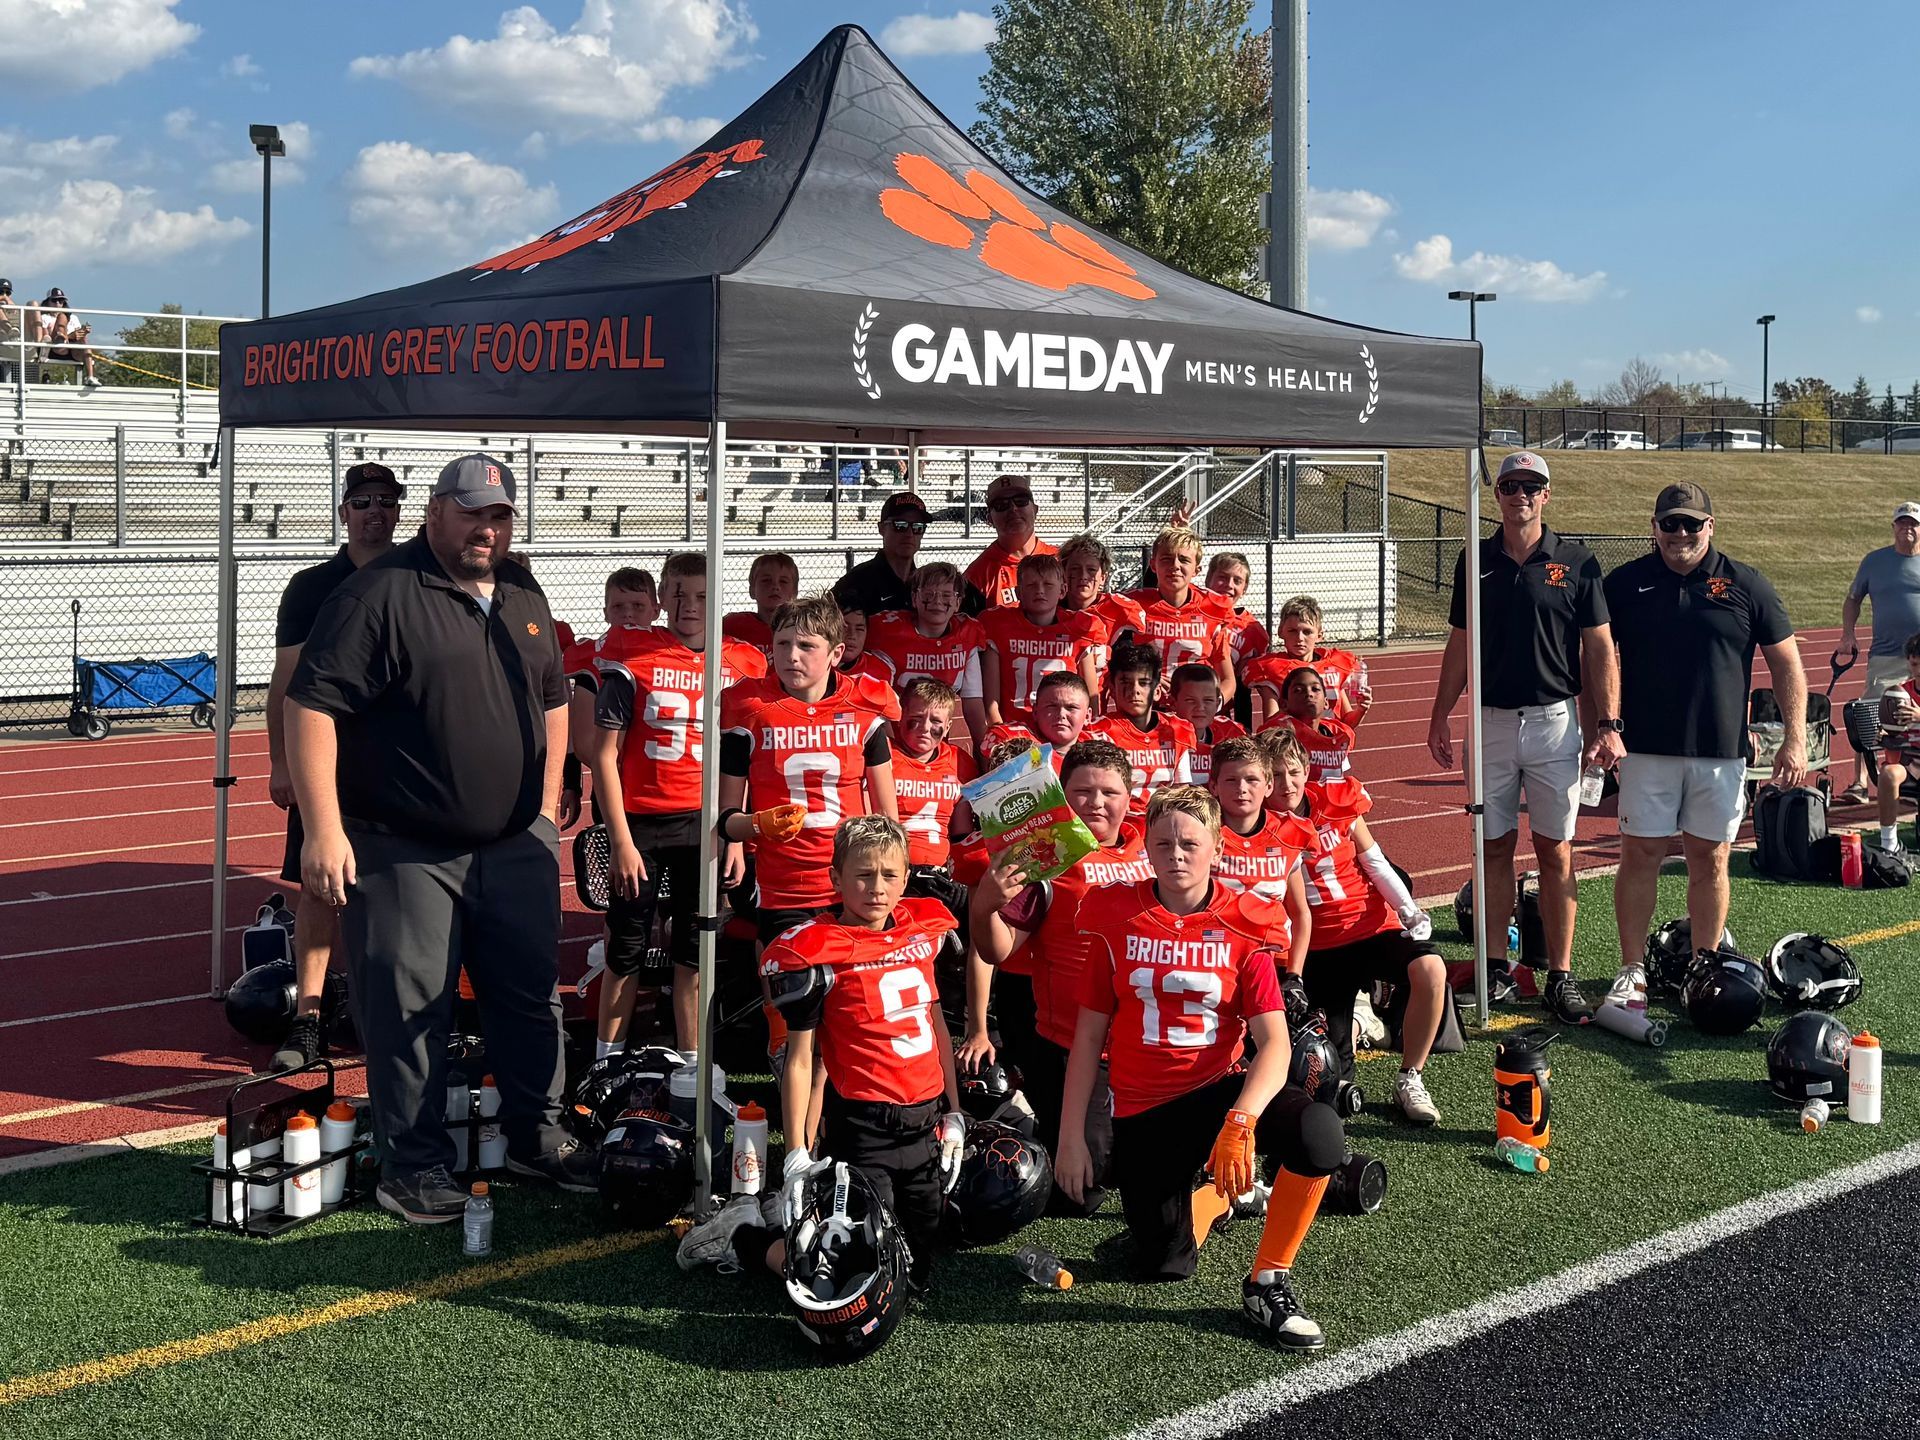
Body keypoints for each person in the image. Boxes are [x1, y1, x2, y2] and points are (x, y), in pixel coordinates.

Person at [285, 452, 593, 1223]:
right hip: (405, 846)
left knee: (528, 1000)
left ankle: (536, 1135)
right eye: (471, 512)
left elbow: (553, 696)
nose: (486, 529)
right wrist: (323, 827)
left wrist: (549, 799)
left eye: (499, 515)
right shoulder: (378, 592)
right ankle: (411, 1167)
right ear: (434, 512)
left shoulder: (522, 586)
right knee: (408, 1007)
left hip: (515, 842)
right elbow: (312, 704)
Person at [1058, 785, 1345, 1349]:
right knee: (1163, 1263)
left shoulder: (1245, 921)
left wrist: (1240, 1122)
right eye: (1162, 842)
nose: (1176, 853)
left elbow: (1276, 1045)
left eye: (1190, 842)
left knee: (1319, 1134)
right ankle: (1218, 1196)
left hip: (1220, 1089)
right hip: (1145, 1108)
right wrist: (1071, 1135)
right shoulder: (1115, 913)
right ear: (1147, 847)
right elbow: (1088, 1038)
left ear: (1217, 846)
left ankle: (1269, 1280)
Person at [677, 816, 964, 1295]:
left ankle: (797, 1220)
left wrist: (955, 1112)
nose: (877, 888)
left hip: (924, 1120)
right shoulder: (817, 951)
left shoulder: (923, 929)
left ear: (907, 877)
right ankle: (743, 1236)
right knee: (852, 1267)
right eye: (863, 874)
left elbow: (935, 1026)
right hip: (865, 1128)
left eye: (890, 875)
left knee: (921, 1260)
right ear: (835, 878)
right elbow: (805, 1060)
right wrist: (795, 1154)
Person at [1425, 451, 1619, 1024]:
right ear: (1499, 494)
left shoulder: (1579, 562)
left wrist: (1607, 723)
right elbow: (1460, 642)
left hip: (1556, 723)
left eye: (1531, 486)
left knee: (1556, 850)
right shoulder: (1475, 558)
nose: (1520, 495)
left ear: (1546, 495)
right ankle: (1495, 968)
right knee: (1493, 848)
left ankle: (1559, 974)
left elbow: (1600, 648)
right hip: (1490, 722)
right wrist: (1439, 713)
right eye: (1510, 485)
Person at [1603, 481, 1806, 998]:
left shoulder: (1746, 583)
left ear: (1710, 527)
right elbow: (1593, 657)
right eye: (1669, 523)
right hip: (1645, 749)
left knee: (1709, 859)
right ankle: (1632, 969)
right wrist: (1598, 727)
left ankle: (1705, 966)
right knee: (1640, 855)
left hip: (1720, 753)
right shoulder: (1624, 584)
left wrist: (1795, 736)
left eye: (1691, 523)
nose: (1681, 533)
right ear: (1654, 528)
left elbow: (1786, 662)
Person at [587, 552, 765, 1058]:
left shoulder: (742, 661)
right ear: (662, 597)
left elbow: (745, 759)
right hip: (642, 821)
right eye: (680, 594)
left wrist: (733, 833)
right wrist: (619, 839)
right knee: (626, 948)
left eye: (703, 596)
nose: (690, 605)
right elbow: (603, 756)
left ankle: (692, 1064)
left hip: (707, 824)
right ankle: (607, 1063)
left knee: (695, 948)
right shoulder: (634, 654)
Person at [968, 739, 1150, 1215]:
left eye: (1109, 792)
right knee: (1082, 1193)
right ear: (1061, 797)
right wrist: (985, 902)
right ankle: (1017, 1121)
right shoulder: (1048, 859)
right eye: (1082, 791)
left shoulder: (1155, 849)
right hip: (1072, 1044)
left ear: (1129, 798)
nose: (1096, 802)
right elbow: (997, 948)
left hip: (1145, 1041)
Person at [263, 461, 403, 1070]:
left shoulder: (421, 577)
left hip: (405, 761)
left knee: (406, 888)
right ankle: (310, 1018)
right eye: (364, 501)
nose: (376, 511)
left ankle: (394, 1013)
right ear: (344, 511)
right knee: (322, 887)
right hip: (329, 763)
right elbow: (287, 683)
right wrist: (280, 763)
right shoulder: (311, 585)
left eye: (387, 501)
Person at [717, 593, 900, 1060]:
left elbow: (887, 816)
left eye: (805, 645)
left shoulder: (865, 706)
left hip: (854, 879)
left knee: (855, 1005)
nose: (791, 656)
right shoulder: (750, 708)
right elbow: (726, 821)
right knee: (796, 1016)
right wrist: (756, 825)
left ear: (837, 653)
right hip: (786, 881)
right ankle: (786, 1065)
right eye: (781, 644)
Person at [1263, 729, 1449, 1126]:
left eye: (1293, 772)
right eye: (1275, 775)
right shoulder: (1260, 824)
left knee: (1432, 968)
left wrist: (1409, 910)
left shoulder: (1337, 800)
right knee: (1330, 1073)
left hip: (1370, 927)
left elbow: (1375, 862)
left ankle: (1410, 1077)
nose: (1286, 783)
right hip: (1318, 949)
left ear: (1307, 770)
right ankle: (1366, 1020)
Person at [1838, 502, 1920, 803]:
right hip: (1886, 654)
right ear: (1893, 527)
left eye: (1913, 524)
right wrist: (1848, 634)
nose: (1907, 528)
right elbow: (1853, 599)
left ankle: (1910, 778)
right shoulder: (1875, 562)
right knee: (1870, 716)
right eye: (1901, 523)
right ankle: (1859, 783)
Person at [862, 562, 989, 743]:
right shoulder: (889, 633)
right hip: (895, 736)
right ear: (914, 598)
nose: (937, 601)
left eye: (946, 595)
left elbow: (973, 702)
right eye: (929, 594)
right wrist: (891, 752)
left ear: (958, 602)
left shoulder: (966, 635)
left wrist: (982, 749)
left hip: (935, 737)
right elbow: (878, 705)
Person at [981, 552, 1102, 730]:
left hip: (1063, 730)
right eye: (1031, 585)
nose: (1040, 591)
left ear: (1062, 590)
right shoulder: (998, 625)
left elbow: (1091, 697)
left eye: (1048, 584)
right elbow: (991, 702)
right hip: (1016, 730)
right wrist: (1001, 734)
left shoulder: (1079, 627)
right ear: (1018, 592)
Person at [1123, 525, 1237, 705]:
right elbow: (1111, 663)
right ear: (1153, 565)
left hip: (1193, 711)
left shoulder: (1214, 608)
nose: (1175, 566)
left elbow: (1228, 678)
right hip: (1147, 708)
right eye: (1167, 559)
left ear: (1196, 569)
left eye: (1183, 560)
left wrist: (1212, 704)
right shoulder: (1131, 605)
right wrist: (1142, 675)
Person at [1087, 641, 1195, 805]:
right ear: (1112, 690)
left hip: (1162, 821)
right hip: (1118, 823)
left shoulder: (1176, 729)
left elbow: (1182, 791)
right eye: (1126, 682)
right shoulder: (1099, 732)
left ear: (1157, 691)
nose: (1135, 690)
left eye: (1143, 683)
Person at [890, 677, 976, 873]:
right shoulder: (885, 755)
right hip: (893, 866)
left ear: (947, 727)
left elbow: (961, 833)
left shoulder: (959, 761)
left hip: (942, 870)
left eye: (935, 720)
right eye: (918, 717)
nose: (925, 728)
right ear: (901, 715)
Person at [1246, 596, 1369, 733]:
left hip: (1330, 747)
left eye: (1307, 632)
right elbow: (1270, 725)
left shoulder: (1334, 665)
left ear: (1320, 634)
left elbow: (1346, 721)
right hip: (1294, 746)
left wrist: (1361, 709)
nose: (1299, 638)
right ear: (1280, 632)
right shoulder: (1272, 667)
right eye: (1292, 631)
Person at [1060, 531, 1145, 689]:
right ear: (1063, 573)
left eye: (1091, 569)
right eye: (1075, 568)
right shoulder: (1050, 610)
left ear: (1103, 577)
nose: (1083, 576)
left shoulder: (1116, 611)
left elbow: (1128, 664)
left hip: (1103, 703)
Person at [964, 474, 1054, 611]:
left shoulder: (1061, 561)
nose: (1013, 509)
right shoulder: (977, 576)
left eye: (1021, 500)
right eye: (1001, 505)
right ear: (990, 519)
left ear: (1035, 510)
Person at [833, 491, 929, 617]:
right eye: (900, 525)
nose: (910, 534)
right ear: (881, 528)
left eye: (918, 527)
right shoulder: (856, 582)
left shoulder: (927, 585)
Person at [1208, 551, 1271, 727]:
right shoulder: (1189, 609)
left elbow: (1244, 693)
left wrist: (1245, 730)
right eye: (1222, 577)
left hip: (1220, 715)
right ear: (1208, 580)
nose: (1229, 585)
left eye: (1237, 581)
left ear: (1244, 588)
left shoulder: (1251, 630)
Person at [1874, 632, 1920, 854]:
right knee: (1888, 775)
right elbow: (1893, 730)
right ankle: (1889, 842)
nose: (1917, 670)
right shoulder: (1900, 692)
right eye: (1914, 664)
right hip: (1909, 759)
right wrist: (1884, 733)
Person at [1273, 667, 1354, 786]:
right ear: (1283, 704)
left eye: (1315, 689)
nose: (1309, 694)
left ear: (1326, 702)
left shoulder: (1338, 733)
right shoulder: (1279, 735)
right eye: (1298, 690)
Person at [1168, 662, 1245, 787]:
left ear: (1217, 702)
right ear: (1173, 702)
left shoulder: (1230, 733)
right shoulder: (1162, 735)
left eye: (1208, 700)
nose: (1200, 708)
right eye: (1190, 700)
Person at [723, 552, 799, 658]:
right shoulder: (733, 626)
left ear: (794, 592)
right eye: (766, 580)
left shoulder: (803, 628)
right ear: (752, 590)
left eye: (783, 581)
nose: (775, 586)